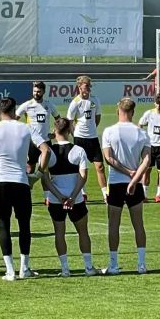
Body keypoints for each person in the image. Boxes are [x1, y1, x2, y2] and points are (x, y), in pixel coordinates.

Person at [0, 97, 50, 281]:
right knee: (24, 226)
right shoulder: (26, 128)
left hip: (0, 182)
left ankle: (10, 271)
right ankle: (24, 268)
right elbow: (46, 150)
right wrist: (38, 174)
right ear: (14, 110)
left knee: (3, 225)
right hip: (21, 181)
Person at [99, 98, 151, 275]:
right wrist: (135, 177)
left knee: (113, 225)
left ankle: (113, 265)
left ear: (118, 110)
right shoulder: (141, 133)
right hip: (134, 184)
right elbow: (146, 160)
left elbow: (109, 158)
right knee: (139, 224)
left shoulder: (109, 131)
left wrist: (128, 173)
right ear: (133, 112)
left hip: (115, 182)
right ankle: (141, 264)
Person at [41, 118, 97, 277]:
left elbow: (44, 178)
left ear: (54, 130)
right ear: (69, 130)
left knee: (59, 232)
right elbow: (83, 176)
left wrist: (59, 196)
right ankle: (88, 267)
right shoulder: (79, 150)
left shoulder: (48, 151)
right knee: (83, 232)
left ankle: (65, 269)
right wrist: (72, 196)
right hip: (76, 199)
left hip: (55, 200)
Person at [67, 76, 105, 199]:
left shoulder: (95, 100)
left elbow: (97, 117)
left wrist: (92, 128)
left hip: (93, 137)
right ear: (79, 87)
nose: (89, 88)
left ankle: (106, 194)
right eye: (86, 86)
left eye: (90, 86)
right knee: (80, 166)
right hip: (79, 138)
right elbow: (70, 121)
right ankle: (82, 192)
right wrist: (75, 135)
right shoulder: (75, 103)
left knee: (100, 166)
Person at [16, 81, 60, 174]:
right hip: (32, 142)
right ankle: (29, 188)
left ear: (44, 92)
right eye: (34, 91)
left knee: (46, 170)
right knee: (30, 168)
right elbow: (13, 120)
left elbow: (59, 120)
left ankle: (46, 189)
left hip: (46, 141)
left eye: (39, 91)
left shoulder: (49, 105)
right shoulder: (27, 105)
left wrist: (55, 132)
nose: (36, 93)